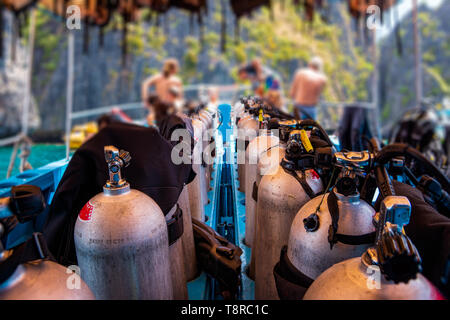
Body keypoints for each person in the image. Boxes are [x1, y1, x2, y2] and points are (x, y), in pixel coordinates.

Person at [290, 56, 327, 120]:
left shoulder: (300, 73)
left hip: (299, 107)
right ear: (319, 67)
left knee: (294, 128)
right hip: (311, 109)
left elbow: (292, 93)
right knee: (311, 129)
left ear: (309, 64)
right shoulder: (322, 79)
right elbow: (318, 95)